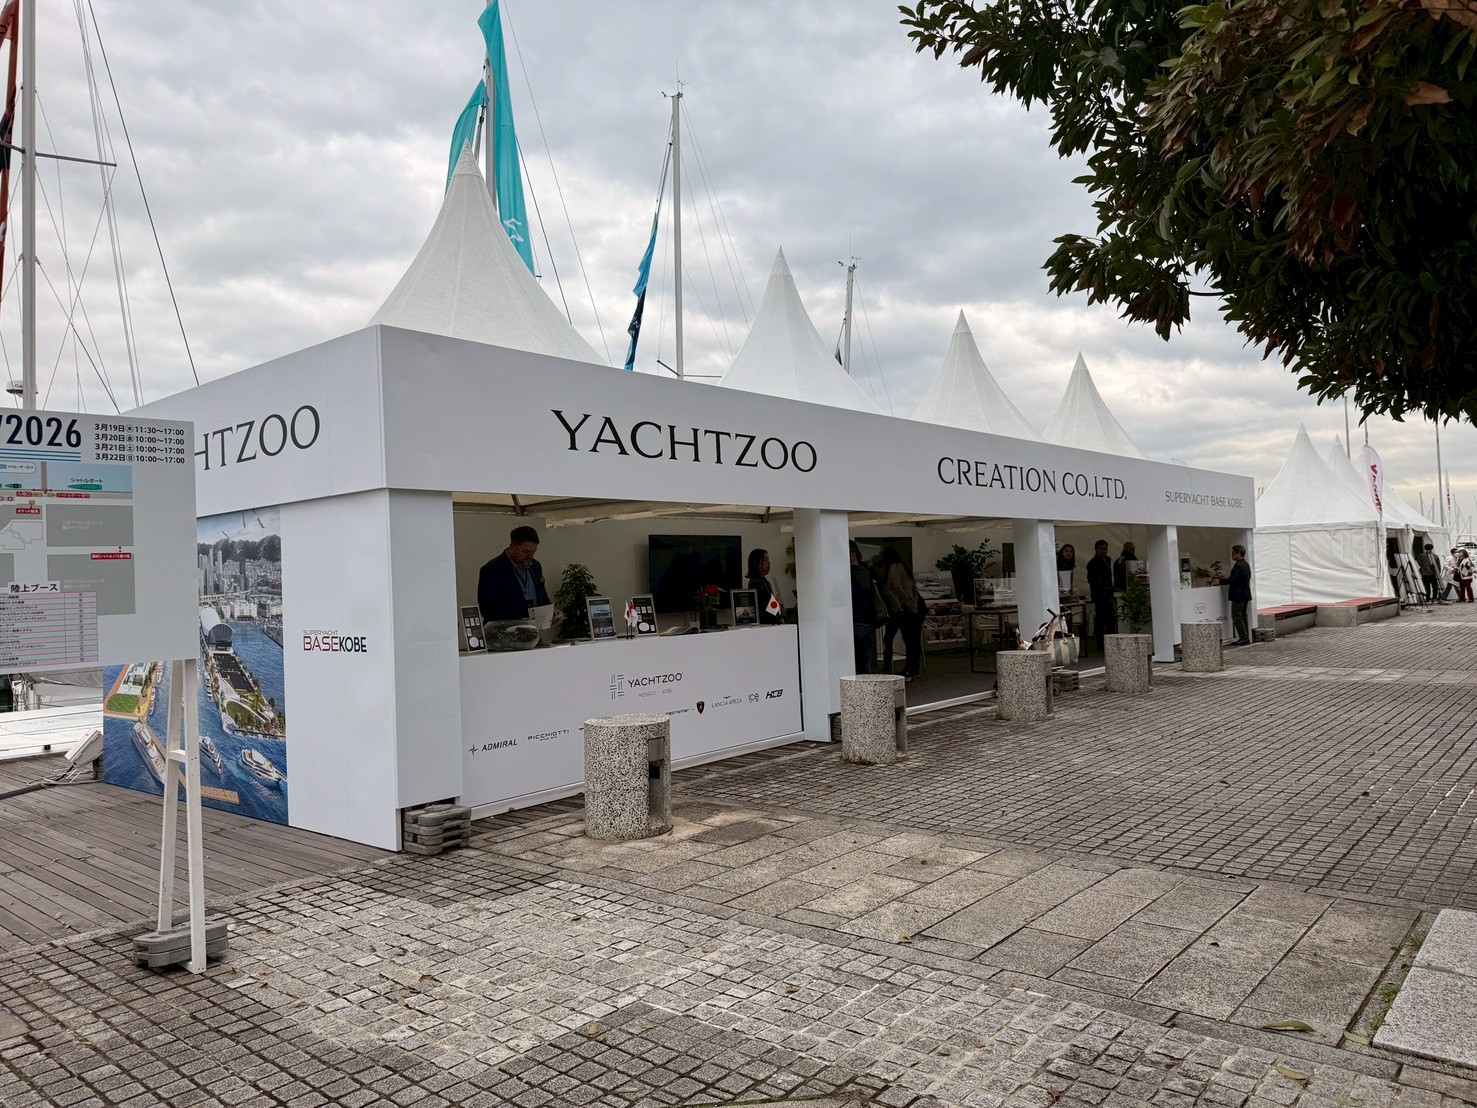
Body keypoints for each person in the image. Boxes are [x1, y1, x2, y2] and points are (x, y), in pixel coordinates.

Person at [478, 525, 550, 622]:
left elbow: (542, 597)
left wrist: (551, 611)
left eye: (533, 551)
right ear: (512, 546)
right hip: (505, 629)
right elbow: (488, 610)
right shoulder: (492, 570)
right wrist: (520, 619)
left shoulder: (535, 566)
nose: (530, 556)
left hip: (533, 629)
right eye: (526, 552)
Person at [878, 546, 924, 680]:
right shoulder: (904, 566)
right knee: (912, 640)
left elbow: (898, 588)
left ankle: (909, 669)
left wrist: (910, 607)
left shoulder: (894, 567)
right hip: (914, 606)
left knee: (908, 640)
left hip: (908, 608)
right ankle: (912, 668)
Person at [849, 541, 881, 674]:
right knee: (865, 664)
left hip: (855, 622)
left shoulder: (849, 574)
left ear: (852, 555)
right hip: (867, 622)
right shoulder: (865, 572)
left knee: (855, 665)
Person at [1086, 539, 1116, 650]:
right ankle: (1100, 643)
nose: (1104, 551)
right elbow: (1092, 580)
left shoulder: (1107, 560)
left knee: (1110, 619)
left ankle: (1109, 641)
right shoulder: (1093, 563)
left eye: (1105, 549)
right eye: (1101, 549)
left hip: (1108, 593)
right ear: (1096, 549)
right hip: (1100, 595)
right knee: (1100, 619)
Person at [747, 549, 783, 624]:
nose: (769, 563)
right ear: (756, 563)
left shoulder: (765, 581)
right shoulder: (755, 583)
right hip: (765, 624)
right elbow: (760, 609)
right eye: (765, 560)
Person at [1227, 544, 1252, 645]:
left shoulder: (1238, 566)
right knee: (1243, 615)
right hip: (1245, 593)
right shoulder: (1245, 564)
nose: (1232, 555)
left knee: (1236, 615)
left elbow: (1234, 580)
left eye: (1233, 553)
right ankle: (1246, 636)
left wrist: (1221, 581)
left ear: (1239, 553)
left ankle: (1243, 637)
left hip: (1238, 594)